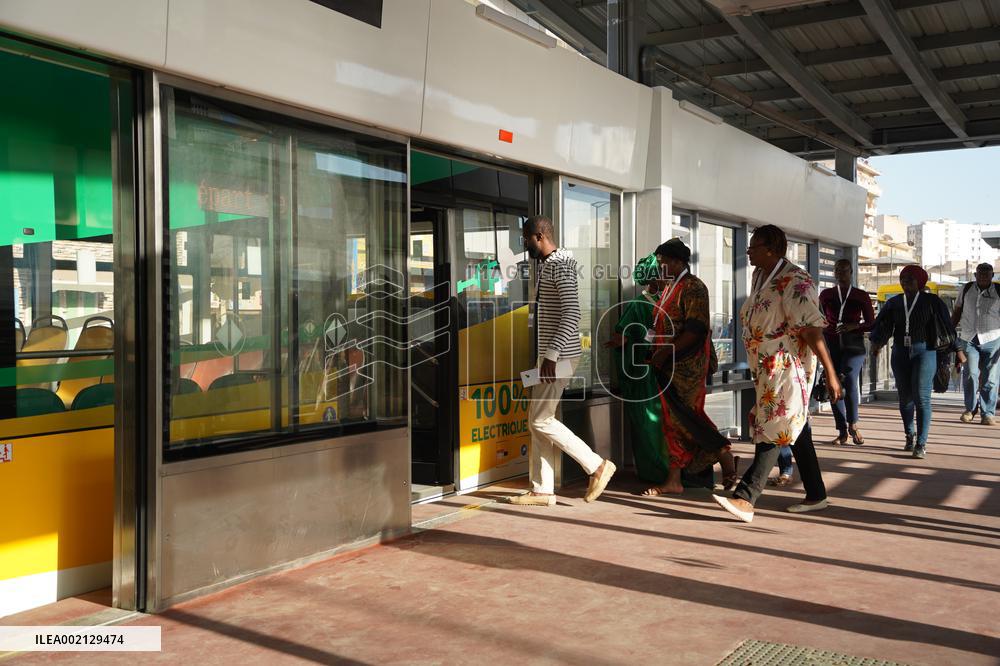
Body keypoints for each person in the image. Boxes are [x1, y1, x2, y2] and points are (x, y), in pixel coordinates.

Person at [713, 225, 841, 523]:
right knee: (795, 428)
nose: (748, 251)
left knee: (776, 424)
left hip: (786, 366)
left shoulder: (795, 280)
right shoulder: (761, 277)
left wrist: (831, 374)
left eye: (754, 246)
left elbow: (812, 329)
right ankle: (816, 494)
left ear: (771, 249)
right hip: (766, 367)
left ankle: (746, 497)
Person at [502, 215, 616, 506]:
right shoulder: (550, 264)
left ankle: (597, 465)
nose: (524, 243)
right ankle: (542, 490)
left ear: (539, 236)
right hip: (552, 356)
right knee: (536, 420)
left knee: (541, 419)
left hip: (560, 356)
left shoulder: (560, 266)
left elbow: (572, 315)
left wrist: (551, 356)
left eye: (526, 238)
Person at [644, 238, 738, 496]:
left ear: (676, 262)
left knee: (683, 418)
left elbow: (695, 330)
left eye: (663, 262)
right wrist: (652, 351)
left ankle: (721, 454)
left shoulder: (694, 287)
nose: (660, 267)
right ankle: (682, 475)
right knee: (674, 420)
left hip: (686, 366)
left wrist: (666, 353)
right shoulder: (668, 288)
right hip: (667, 363)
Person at [870, 265, 963, 458]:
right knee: (905, 399)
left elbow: (946, 328)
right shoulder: (894, 302)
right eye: (903, 279)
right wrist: (876, 344)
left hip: (925, 351)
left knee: (922, 398)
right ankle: (909, 434)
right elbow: (883, 325)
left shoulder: (932, 301)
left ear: (920, 282)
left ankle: (921, 443)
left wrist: (958, 350)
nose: (906, 283)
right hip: (900, 352)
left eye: (911, 280)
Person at [604, 254, 670, 484]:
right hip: (648, 376)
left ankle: (662, 471)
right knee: (653, 424)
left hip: (654, 374)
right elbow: (621, 337)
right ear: (654, 278)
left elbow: (620, 337)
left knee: (653, 424)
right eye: (663, 273)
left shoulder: (650, 303)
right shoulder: (646, 304)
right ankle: (661, 471)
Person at [818, 259, 875, 445]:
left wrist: (853, 326)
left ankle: (853, 424)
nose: (840, 273)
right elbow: (819, 318)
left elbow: (871, 323)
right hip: (831, 342)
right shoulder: (826, 294)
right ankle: (842, 430)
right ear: (834, 273)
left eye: (844, 270)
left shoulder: (861, 295)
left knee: (848, 379)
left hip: (853, 344)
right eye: (837, 270)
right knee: (832, 382)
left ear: (851, 272)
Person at [951, 263, 1000, 426]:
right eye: (980, 273)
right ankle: (970, 409)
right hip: (968, 339)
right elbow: (957, 311)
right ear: (975, 275)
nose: (984, 276)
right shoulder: (965, 289)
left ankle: (988, 413)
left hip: (993, 340)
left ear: (992, 275)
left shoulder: (998, 291)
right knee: (970, 375)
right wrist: (949, 332)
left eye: (987, 273)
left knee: (991, 378)